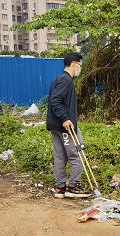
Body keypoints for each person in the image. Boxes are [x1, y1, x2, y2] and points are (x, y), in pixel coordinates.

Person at [46, 52, 92, 198]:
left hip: (55, 125)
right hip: (65, 126)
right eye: (80, 65)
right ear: (74, 64)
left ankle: (60, 188)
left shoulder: (57, 79)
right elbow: (55, 100)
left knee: (60, 157)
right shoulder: (66, 80)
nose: (80, 68)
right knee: (78, 153)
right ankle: (74, 187)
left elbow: (54, 100)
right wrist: (65, 118)